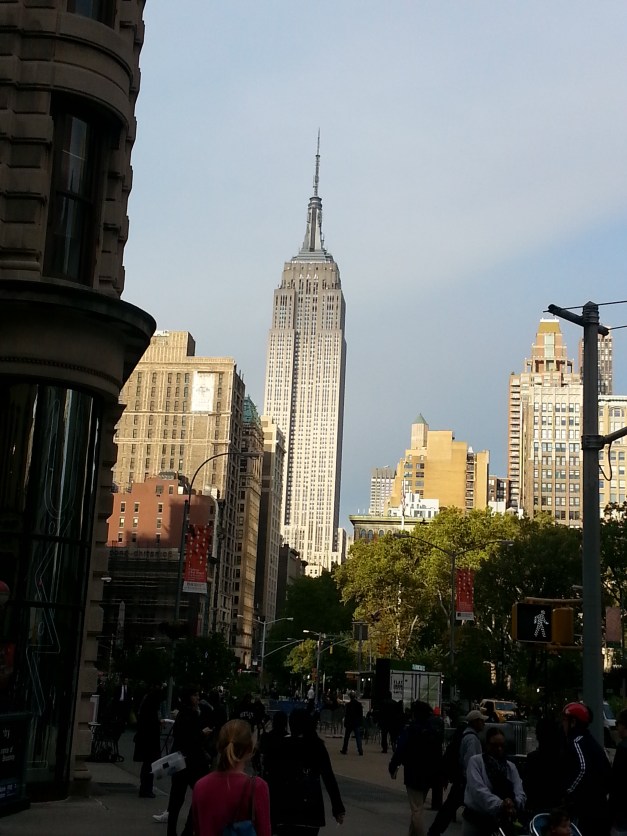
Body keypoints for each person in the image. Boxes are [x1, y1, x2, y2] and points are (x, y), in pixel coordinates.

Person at [271, 708, 345, 836]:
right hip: (311, 807)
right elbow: (328, 778)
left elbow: (273, 777)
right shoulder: (317, 746)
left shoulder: (282, 745)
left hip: (285, 807)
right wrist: (337, 807)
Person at [192, 719, 271, 836]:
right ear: (250, 749)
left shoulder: (200, 786)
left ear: (219, 747)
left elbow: (198, 829)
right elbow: (264, 832)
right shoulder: (257, 787)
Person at [389, 700, 443, 836]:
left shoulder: (411, 729)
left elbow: (401, 748)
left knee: (416, 809)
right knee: (419, 805)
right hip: (429, 771)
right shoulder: (432, 729)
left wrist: (393, 765)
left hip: (413, 771)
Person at [428, 709, 485, 836]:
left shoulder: (465, 734)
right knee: (452, 807)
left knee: (449, 807)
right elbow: (471, 762)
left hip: (462, 780)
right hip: (466, 782)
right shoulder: (472, 739)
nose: (484, 724)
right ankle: (435, 831)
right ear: (475, 722)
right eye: (481, 721)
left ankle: (434, 831)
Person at [166, 686, 212, 836]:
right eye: (195, 695)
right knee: (198, 795)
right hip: (191, 762)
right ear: (188, 698)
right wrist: (201, 734)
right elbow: (189, 739)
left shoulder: (185, 714)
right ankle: (186, 829)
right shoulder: (189, 715)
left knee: (177, 799)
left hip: (181, 762)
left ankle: (174, 831)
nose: (198, 698)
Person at [462, 726, 525, 836]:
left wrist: (514, 803)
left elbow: (519, 790)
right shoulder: (476, 762)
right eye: (495, 746)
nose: (499, 749)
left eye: (502, 745)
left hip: (501, 823)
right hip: (476, 820)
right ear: (487, 745)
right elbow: (478, 790)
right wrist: (500, 804)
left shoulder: (510, 767)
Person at [561, 701, 611, 836]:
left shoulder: (577, 741)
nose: (563, 724)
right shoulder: (591, 742)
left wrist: (568, 791)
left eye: (565, 720)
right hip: (599, 807)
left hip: (587, 809)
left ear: (573, 722)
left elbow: (582, 768)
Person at [522, 717, 564, 819]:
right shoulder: (563, 758)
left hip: (537, 808)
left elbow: (527, 785)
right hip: (558, 807)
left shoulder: (533, 758)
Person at [133, 682, 164, 798]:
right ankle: (147, 789)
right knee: (150, 765)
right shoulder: (152, 706)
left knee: (147, 765)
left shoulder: (147, 703)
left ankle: (145, 788)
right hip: (151, 740)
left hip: (145, 739)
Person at [610, 708, 627, 836]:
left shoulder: (623, 747)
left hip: (622, 811)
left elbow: (616, 780)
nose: (617, 728)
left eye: (618, 724)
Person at [340, 691, 363, 756]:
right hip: (356, 722)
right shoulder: (359, 704)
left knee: (347, 737)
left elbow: (346, 714)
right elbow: (360, 715)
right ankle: (360, 750)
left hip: (349, 722)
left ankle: (344, 749)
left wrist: (345, 722)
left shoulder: (348, 705)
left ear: (350, 697)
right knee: (358, 737)